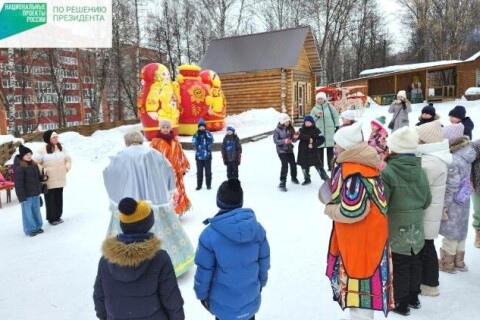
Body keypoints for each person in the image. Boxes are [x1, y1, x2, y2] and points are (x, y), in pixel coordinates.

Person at [324, 121, 394, 320]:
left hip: (361, 241)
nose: (334, 148)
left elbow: (353, 211)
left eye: (337, 144)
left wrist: (330, 209)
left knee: (361, 294)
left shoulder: (354, 172)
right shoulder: (363, 164)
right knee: (361, 291)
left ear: (345, 146)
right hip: (368, 237)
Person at [104, 130, 194, 277]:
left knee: (127, 230)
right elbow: (168, 168)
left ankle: (128, 266)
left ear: (126, 142)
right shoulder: (153, 153)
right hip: (155, 200)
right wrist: (170, 188)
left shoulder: (120, 156)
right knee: (162, 229)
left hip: (129, 203)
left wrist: (115, 197)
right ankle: (173, 263)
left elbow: (108, 173)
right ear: (140, 140)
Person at [93, 197, 185, 320]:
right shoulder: (160, 259)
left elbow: (99, 298)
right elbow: (171, 299)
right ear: (149, 223)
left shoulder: (106, 260)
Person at [194, 179, 270, 320]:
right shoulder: (257, 230)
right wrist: (261, 284)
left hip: (223, 306)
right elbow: (263, 263)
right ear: (240, 201)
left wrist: (202, 295)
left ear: (219, 201)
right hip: (250, 300)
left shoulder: (209, 235)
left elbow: (204, 270)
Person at [381, 126, 431, 316]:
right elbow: (427, 200)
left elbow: (383, 203)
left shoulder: (387, 172)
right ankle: (413, 297)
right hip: (416, 222)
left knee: (400, 262)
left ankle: (401, 302)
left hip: (395, 223)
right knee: (415, 259)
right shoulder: (422, 171)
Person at [415, 121, 452, 297]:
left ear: (425, 141)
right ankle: (428, 283)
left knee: (426, 247)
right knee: (426, 246)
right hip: (430, 211)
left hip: (426, 213)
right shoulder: (433, 157)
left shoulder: (430, 162)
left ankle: (429, 285)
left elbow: (419, 190)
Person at [439, 123, 475, 273]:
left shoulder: (453, 159)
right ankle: (459, 262)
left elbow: (451, 185)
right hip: (464, 198)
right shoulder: (467, 153)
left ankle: (448, 264)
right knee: (461, 231)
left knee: (451, 233)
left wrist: (444, 205)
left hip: (453, 200)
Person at [151, 119, 192, 216]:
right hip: (163, 172)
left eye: (167, 127)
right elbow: (151, 158)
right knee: (166, 191)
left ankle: (178, 209)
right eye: (163, 127)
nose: (165, 129)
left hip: (176, 171)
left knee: (178, 190)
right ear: (160, 128)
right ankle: (167, 212)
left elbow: (180, 154)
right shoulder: (155, 142)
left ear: (170, 128)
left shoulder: (175, 140)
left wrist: (183, 166)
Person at [34, 130, 71, 225]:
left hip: (60, 178)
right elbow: (35, 163)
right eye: (54, 137)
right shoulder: (42, 150)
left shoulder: (61, 148)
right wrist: (43, 170)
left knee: (59, 198)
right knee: (50, 199)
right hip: (49, 179)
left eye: (56, 137)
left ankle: (58, 216)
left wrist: (66, 168)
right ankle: (52, 218)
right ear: (48, 139)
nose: (56, 139)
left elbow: (68, 160)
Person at [14, 145, 45, 237]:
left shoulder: (34, 165)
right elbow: (18, 184)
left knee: (36, 211)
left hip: (35, 193)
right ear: (22, 156)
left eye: (30, 154)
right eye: (27, 154)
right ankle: (30, 229)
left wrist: (42, 177)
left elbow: (36, 178)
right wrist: (21, 197)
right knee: (27, 213)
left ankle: (38, 226)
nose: (29, 156)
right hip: (26, 195)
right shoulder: (20, 167)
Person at [294, 115, 328, 185]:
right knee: (304, 166)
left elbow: (322, 139)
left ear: (312, 122)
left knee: (318, 166)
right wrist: (296, 137)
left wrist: (313, 145)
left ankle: (326, 179)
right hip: (303, 152)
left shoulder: (316, 130)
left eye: (309, 122)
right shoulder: (301, 130)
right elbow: (295, 139)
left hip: (313, 152)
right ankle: (307, 179)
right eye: (306, 122)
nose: (308, 123)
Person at [310, 92, 340, 171]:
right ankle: (321, 167)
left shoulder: (330, 107)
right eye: (318, 99)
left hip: (329, 131)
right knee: (320, 150)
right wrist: (316, 116)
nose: (319, 100)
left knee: (330, 150)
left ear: (324, 99)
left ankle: (331, 166)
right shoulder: (314, 109)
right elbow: (310, 120)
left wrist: (337, 126)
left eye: (321, 98)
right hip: (319, 132)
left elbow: (335, 117)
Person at [273, 113, 298, 191]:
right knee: (285, 165)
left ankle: (294, 177)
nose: (288, 123)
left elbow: (293, 141)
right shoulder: (277, 130)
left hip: (289, 149)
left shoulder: (290, 128)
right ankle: (282, 183)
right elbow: (275, 141)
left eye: (288, 121)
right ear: (282, 122)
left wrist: (295, 137)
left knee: (293, 164)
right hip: (281, 150)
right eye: (286, 121)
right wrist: (284, 141)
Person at [192, 118, 214, 190]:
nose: (202, 127)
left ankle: (208, 185)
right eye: (200, 126)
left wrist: (207, 138)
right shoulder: (196, 134)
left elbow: (212, 141)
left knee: (208, 172)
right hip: (199, 157)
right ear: (198, 127)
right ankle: (199, 185)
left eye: (203, 126)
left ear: (205, 127)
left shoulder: (208, 133)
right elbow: (193, 142)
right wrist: (197, 139)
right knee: (199, 172)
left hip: (207, 156)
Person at [471, 138, 480, 248]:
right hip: (478, 184)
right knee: (478, 211)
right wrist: (470, 179)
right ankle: (478, 233)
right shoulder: (476, 145)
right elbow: (470, 163)